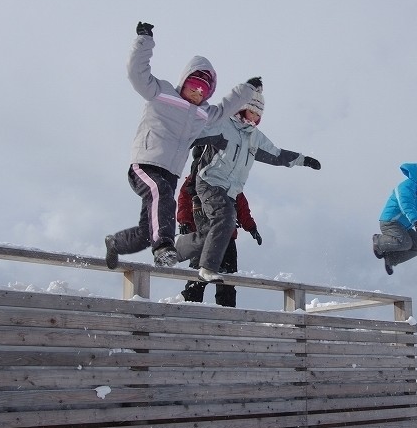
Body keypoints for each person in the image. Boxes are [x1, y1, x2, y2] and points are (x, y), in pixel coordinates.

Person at [104, 21, 260, 270]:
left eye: (203, 91)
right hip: (146, 163)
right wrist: (144, 40)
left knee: (149, 230)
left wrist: (247, 89)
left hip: (171, 172)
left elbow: (226, 108)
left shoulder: (204, 113)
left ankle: (116, 243)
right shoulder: (161, 92)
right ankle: (164, 249)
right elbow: (137, 73)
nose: (197, 94)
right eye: (193, 86)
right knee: (161, 193)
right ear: (184, 81)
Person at [174, 85, 321, 283]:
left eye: (257, 116)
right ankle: (207, 268)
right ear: (241, 109)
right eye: (251, 112)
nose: (253, 119)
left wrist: (304, 160)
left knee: (214, 231)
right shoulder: (224, 125)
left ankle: (177, 250)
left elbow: (276, 154)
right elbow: (197, 133)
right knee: (225, 219)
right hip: (209, 182)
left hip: (230, 191)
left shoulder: (255, 138)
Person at [176, 149, 262, 306]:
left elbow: (241, 203)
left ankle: (227, 311)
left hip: (227, 236)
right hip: (204, 235)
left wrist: (251, 227)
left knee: (227, 277)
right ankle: (190, 306)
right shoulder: (194, 179)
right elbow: (184, 200)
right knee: (199, 273)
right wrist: (184, 221)